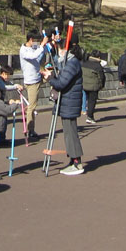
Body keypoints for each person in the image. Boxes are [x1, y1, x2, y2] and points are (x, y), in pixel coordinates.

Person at [41, 33, 85, 176]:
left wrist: (50, 78)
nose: (59, 51)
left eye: (60, 48)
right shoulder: (69, 61)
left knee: (71, 133)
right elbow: (58, 63)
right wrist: (53, 49)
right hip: (66, 101)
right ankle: (73, 160)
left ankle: (77, 163)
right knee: (68, 132)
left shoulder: (73, 63)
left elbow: (61, 83)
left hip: (69, 101)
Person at [19, 30, 49, 142]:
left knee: (52, 76)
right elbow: (34, 55)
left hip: (38, 77)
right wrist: (42, 45)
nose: (37, 43)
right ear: (31, 40)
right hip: (31, 81)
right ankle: (30, 130)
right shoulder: (24, 50)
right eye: (36, 41)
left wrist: (51, 42)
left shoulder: (34, 45)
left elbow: (44, 49)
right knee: (32, 106)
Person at [80, 49, 106, 124]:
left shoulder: (84, 63)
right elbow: (102, 77)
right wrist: (102, 86)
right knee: (92, 101)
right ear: (98, 57)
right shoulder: (97, 66)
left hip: (84, 84)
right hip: (93, 86)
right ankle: (90, 117)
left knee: (87, 99)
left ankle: (84, 110)